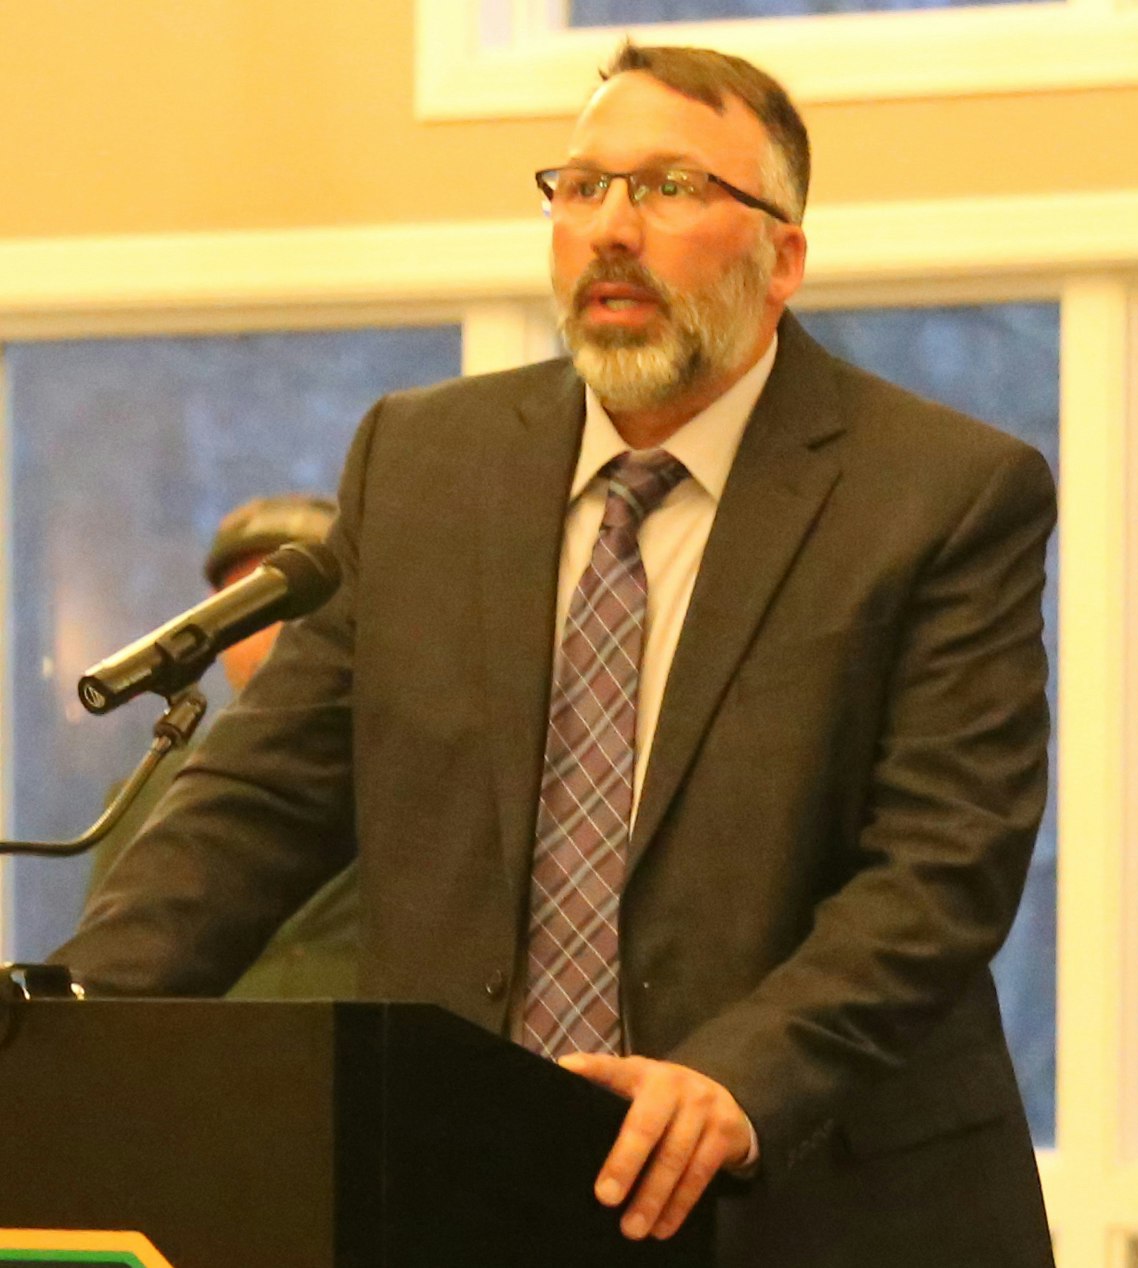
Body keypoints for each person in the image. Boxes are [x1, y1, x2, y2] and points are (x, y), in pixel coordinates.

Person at [59, 43, 1057, 1267]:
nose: (611, 229)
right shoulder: (427, 460)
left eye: (670, 189)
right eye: (580, 187)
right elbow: (261, 801)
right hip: (466, 1193)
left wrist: (733, 1080)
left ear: (781, 255)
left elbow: (941, 867)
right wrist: (67, 1020)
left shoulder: (939, 494)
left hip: (812, 1201)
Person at [86, 493, 359, 1000]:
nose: (265, 637)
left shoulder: (403, 775)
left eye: (291, 606)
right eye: (246, 608)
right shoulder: (140, 801)